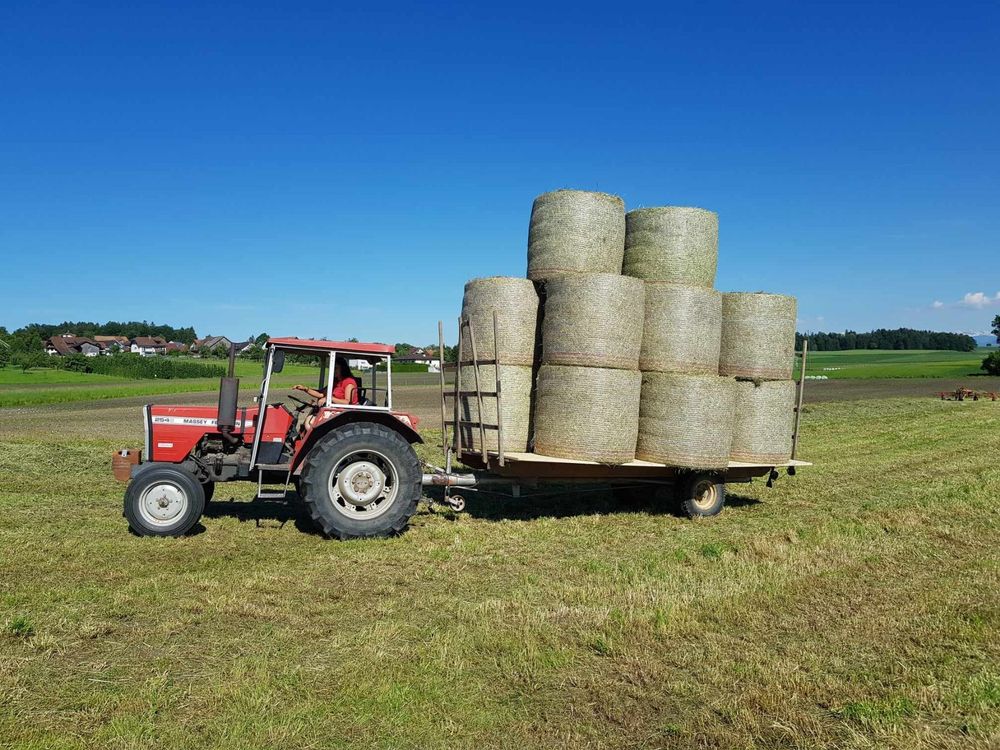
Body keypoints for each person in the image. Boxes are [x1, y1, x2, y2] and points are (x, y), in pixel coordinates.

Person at [291, 357, 360, 431]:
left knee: (311, 423)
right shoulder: (335, 382)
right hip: (334, 410)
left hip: (344, 413)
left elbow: (347, 402)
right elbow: (320, 394)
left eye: (336, 368)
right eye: (333, 368)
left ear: (343, 368)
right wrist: (305, 389)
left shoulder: (349, 382)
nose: (333, 371)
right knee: (310, 420)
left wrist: (328, 398)